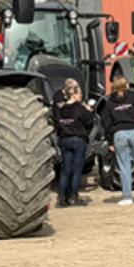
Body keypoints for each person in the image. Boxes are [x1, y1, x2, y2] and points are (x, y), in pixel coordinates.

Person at [102, 75, 134, 206]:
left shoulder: (109, 102)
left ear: (114, 86)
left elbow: (106, 122)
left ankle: (127, 196)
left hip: (119, 134)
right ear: (126, 85)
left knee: (124, 165)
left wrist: (110, 141)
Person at [53, 79, 93, 207]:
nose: (81, 96)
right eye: (79, 94)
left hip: (65, 140)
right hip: (78, 140)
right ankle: (73, 197)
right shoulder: (79, 109)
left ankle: (61, 197)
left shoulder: (61, 109)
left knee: (65, 170)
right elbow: (89, 122)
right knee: (76, 170)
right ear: (74, 95)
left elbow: (58, 123)